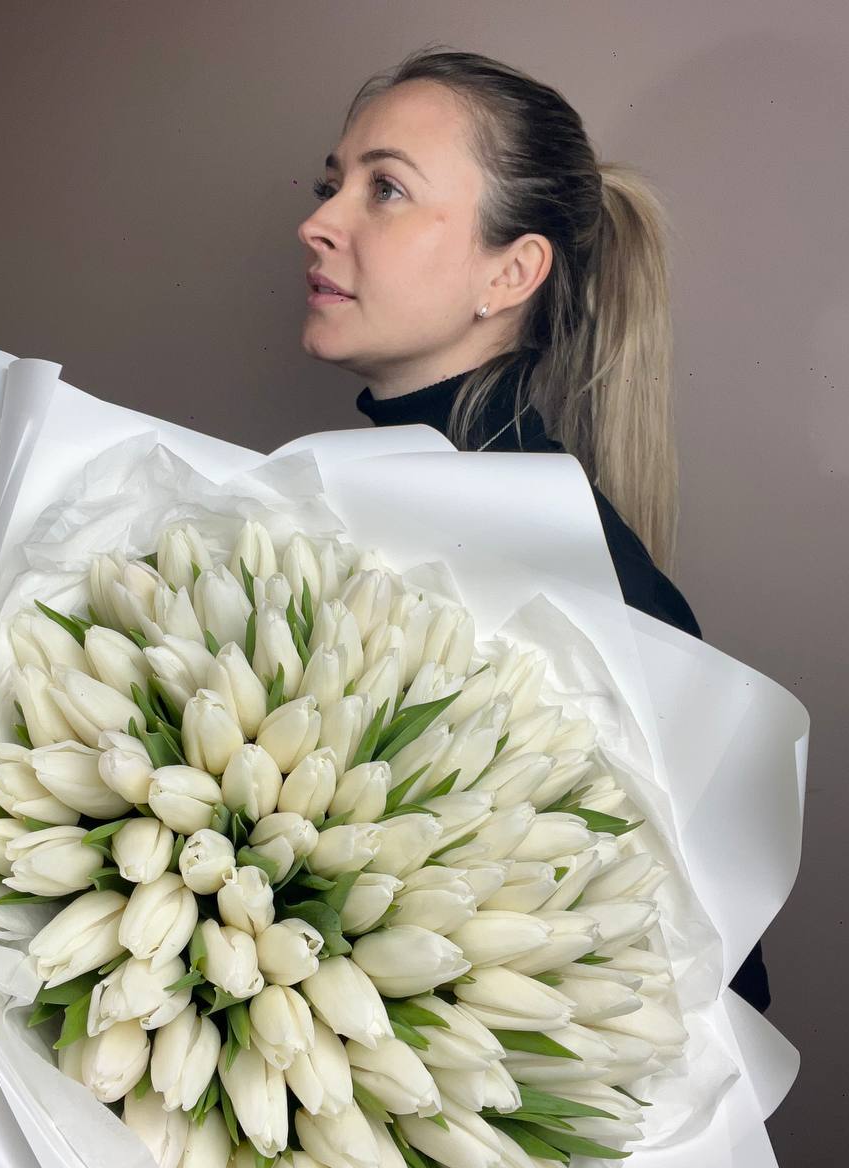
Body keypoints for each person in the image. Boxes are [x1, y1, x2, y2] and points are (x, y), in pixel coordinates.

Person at [297, 45, 768, 1014]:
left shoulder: (588, 574)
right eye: (330, 184)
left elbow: (718, 989)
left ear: (511, 271)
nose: (318, 223)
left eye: (385, 189)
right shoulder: (319, 507)